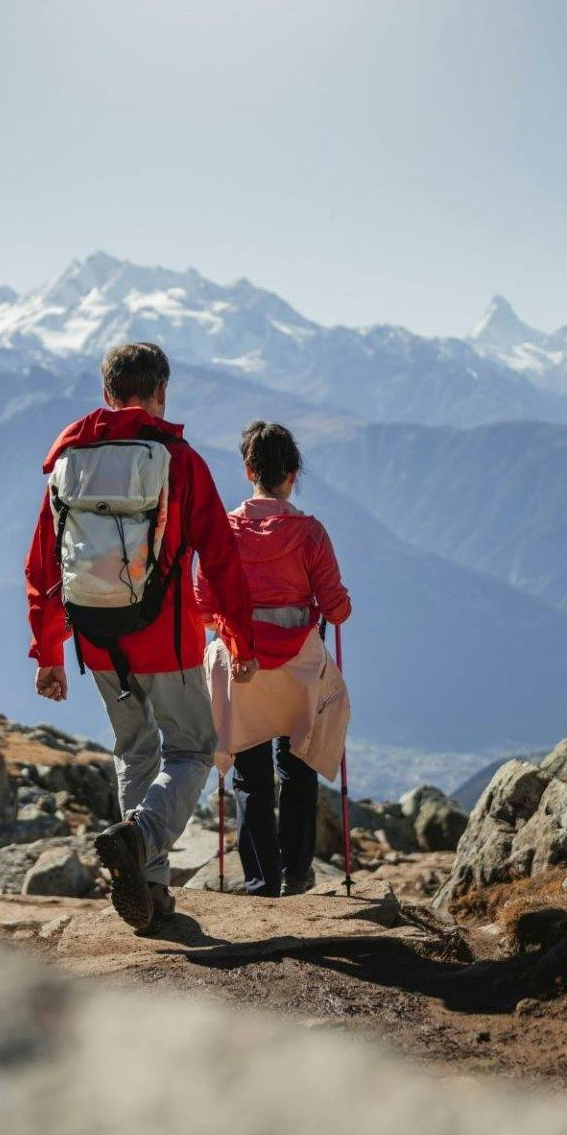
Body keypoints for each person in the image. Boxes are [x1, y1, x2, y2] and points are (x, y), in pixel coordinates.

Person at [25, 342, 258, 934]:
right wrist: (240, 638)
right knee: (192, 750)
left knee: (134, 752)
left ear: (106, 393)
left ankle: (149, 888)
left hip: (98, 640)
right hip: (169, 640)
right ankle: (142, 839)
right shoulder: (178, 459)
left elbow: (43, 565)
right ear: (162, 393)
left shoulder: (69, 461)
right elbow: (222, 560)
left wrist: (48, 652)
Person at [195, 422, 351, 898]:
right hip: (298, 665)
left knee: (250, 774)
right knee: (299, 763)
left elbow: (202, 605)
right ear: (293, 473)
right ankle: (299, 872)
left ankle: (261, 879)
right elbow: (338, 609)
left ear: (248, 472)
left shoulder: (222, 530)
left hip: (242, 666)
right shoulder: (310, 534)